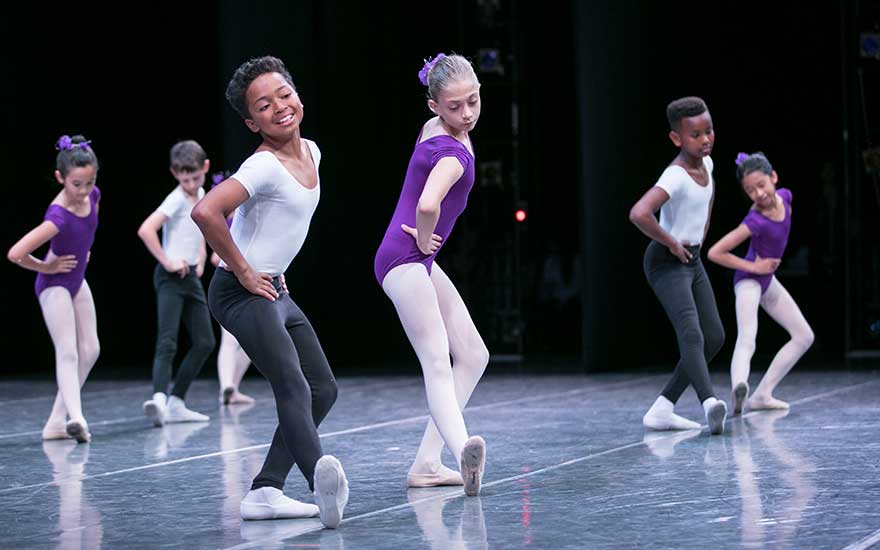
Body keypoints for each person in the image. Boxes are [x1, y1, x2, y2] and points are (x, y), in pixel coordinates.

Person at [191, 55, 347, 528]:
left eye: (284, 94)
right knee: (292, 384)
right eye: (263, 105)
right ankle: (321, 482)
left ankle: (264, 491)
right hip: (240, 293)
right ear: (250, 121)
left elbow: (280, 226)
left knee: (323, 388)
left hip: (274, 287)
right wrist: (242, 271)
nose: (279, 107)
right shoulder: (262, 166)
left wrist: (271, 269)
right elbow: (205, 212)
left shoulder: (313, 152)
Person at [374, 53, 489, 496]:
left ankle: (426, 463)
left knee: (474, 356)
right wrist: (424, 239)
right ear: (434, 106)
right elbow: (427, 204)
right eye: (456, 106)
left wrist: (423, 248)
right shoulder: (454, 153)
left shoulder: (436, 130)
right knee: (438, 363)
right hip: (406, 262)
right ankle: (462, 449)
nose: (467, 114)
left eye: (474, 101)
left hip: (414, 261)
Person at [628, 97, 727, 435]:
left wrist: (699, 238)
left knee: (714, 336)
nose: (705, 139)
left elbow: (708, 201)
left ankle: (663, 408)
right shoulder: (675, 175)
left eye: (709, 131)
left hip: (691, 259)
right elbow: (640, 212)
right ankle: (709, 402)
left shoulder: (709, 165)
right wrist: (671, 241)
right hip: (665, 261)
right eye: (696, 134)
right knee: (691, 332)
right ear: (677, 139)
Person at [7, 135, 102, 443]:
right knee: (69, 351)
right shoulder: (57, 216)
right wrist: (45, 267)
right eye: (77, 184)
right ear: (61, 178)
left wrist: (85, 250)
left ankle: (56, 423)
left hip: (77, 278)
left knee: (91, 349)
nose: (84, 190)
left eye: (89, 182)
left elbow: (87, 229)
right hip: (54, 285)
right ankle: (76, 417)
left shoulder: (94, 196)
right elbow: (16, 253)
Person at [707, 152, 814, 414]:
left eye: (761, 185)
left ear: (774, 177)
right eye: (750, 190)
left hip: (768, 281)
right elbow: (715, 252)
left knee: (804, 336)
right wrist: (754, 267)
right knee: (747, 336)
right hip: (748, 282)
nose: (758, 194)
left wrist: (765, 269)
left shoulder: (786, 197)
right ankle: (739, 386)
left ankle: (763, 394)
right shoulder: (754, 221)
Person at [138, 140, 215, 426]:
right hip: (171, 277)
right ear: (175, 174)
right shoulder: (177, 198)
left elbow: (199, 229)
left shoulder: (203, 194)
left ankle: (177, 401)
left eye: (195, 178)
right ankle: (159, 398)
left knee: (205, 341)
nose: (191, 184)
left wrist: (201, 254)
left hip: (190, 278)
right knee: (168, 340)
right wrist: (167, 260)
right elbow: (146, 229)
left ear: (205, 168)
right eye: (185, 179)